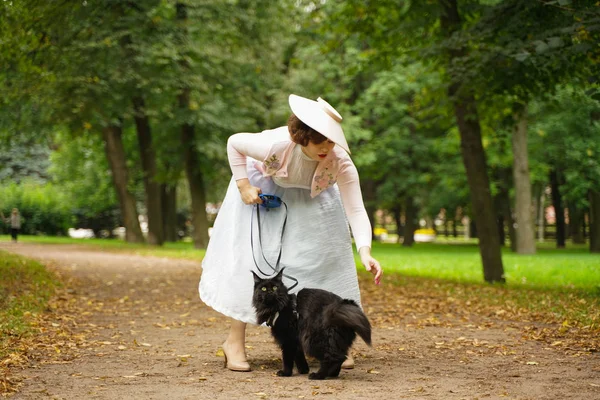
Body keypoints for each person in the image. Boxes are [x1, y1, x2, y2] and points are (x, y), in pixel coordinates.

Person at [199, 94, 383, 372]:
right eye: (319, 141)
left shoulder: (339, 161)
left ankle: (331, 343)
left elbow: (355, 209)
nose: (326, 148)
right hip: (265, 194)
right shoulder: (275, 145)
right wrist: (243, 186)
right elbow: (234, 142)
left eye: (331, 141)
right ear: (302, 136)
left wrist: (366, 252)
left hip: (313, 197)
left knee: (324, 261)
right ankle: (233, 342)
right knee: (256, 266)